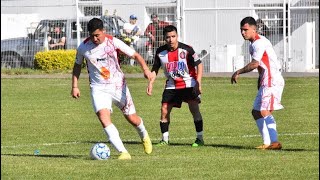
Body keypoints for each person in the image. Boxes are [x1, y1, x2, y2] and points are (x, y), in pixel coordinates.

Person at [71, 18, 153, 160]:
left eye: (97, 35)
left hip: (118, 85)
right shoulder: (83, 47)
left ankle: (144, 134)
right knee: (103, 118)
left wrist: (146, 70)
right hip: (98, 88)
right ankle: (123, 152)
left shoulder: (113, 41)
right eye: (92, 36)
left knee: (132, 118)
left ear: (103, 31)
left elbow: (136, 55)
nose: (95, 38)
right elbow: (77, 65)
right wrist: (75, 86)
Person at [231, 16, 284, 150]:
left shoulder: (259, 43)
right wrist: (260, 83)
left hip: (272, 80)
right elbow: (261, 66)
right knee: (256, 111)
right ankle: (267, 143)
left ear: (254, 29)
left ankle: (275, 141)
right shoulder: (252, 43)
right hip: (265, 80)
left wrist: (238, 72)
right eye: (241, 30)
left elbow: (255, 64)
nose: (243, 32)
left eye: (245, 29)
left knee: (264, 110)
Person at [147, 25, 204, 147]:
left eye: (173, 36)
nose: (171, 40)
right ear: (164, 38)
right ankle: (165, 139)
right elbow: (155, 69)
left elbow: (199, 64)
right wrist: (150, 83)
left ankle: (199, 138)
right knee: (164, 110)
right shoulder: (160, 52)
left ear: (177, 36)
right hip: (172, 86)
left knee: (194, 109)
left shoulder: (187, 49)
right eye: (168, 37)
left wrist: (198, 82)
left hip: (189, 84)